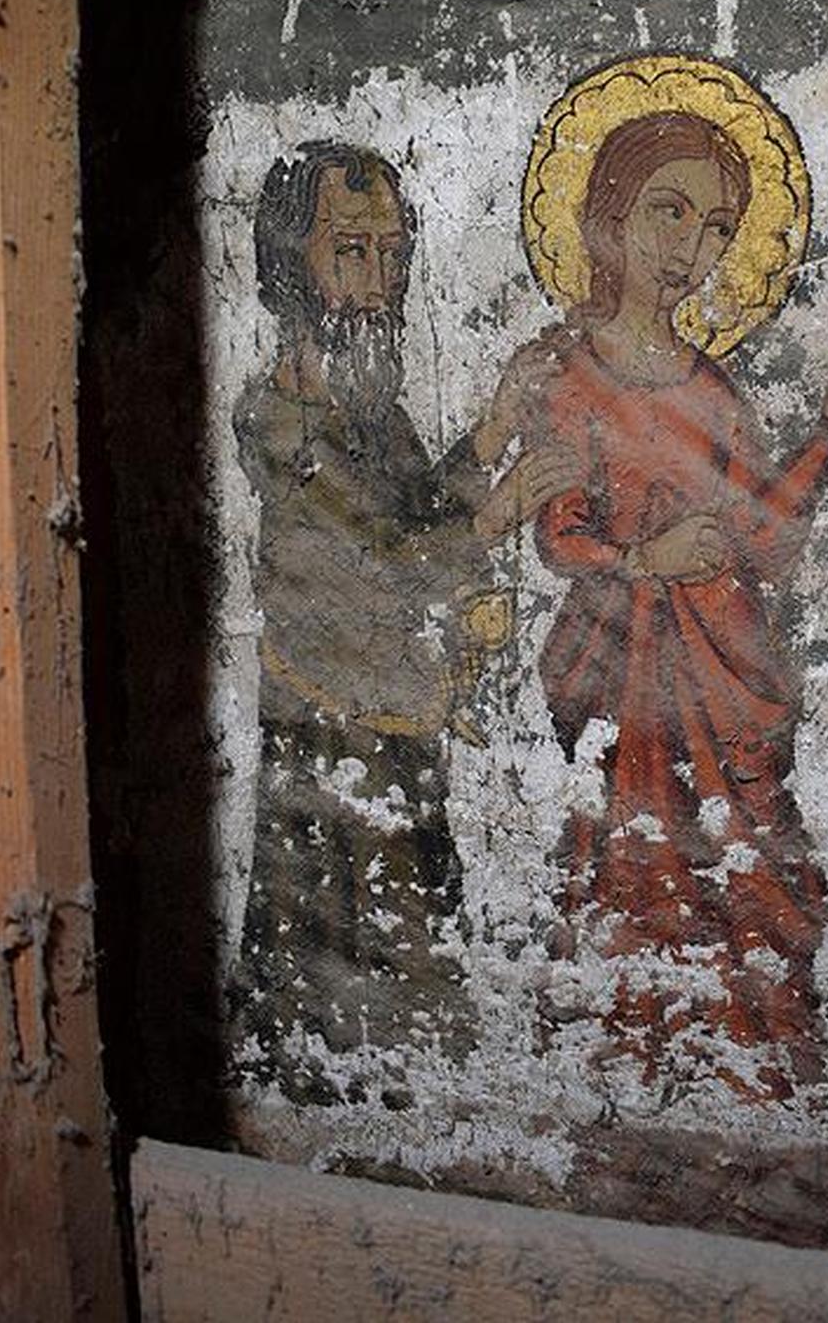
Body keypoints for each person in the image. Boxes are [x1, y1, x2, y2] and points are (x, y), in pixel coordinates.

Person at [532, 110, 828, 1100]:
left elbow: (765, 539)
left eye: (717, 226)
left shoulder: (715, 390)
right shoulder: (571, 378)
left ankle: (750, 1095)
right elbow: (559, 534)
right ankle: (632, 1097)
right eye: (669, 212)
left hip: (728, 690)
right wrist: (644, 558)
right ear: (608, 214)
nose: (692, 246)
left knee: (750, 900)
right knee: (636, 890)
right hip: (630, 693)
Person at [234, 140, 575, 1091]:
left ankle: (404, 1109)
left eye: (391, 254)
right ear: (287, 263)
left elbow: (416, 505)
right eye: (351, 252)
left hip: (390, 718)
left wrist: (496, 425)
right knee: (338, 965)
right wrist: (501, 508)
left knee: (412, 938)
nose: (379, 280)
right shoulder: (282, 420)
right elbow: (389, 562)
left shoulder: (368, 408)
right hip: (325, 733)